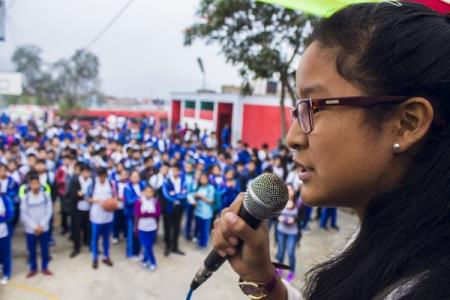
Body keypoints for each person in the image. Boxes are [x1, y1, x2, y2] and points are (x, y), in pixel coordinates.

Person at [211, 3, 450, 299]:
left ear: (406, 123)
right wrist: (260, 277)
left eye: (313, 108)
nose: (292, 137)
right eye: (298, 110)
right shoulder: (383, 242)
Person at [20, 172, 53, 278]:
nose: (35, 186)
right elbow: (24, 214)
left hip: (44, 229)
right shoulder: (26, 198)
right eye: (32, 184)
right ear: (29, 184)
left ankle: (44, 267)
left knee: (44, 249)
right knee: (32, 250)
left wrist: (41, 225)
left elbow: (49, 212)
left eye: (36, 183)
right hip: (31, 230)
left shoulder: (46, 196)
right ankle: (33, 268)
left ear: (40, 184)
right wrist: (34, 227)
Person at [88, 167, 116, 269]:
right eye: (100, 176)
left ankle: (106, 256)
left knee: (106, 238)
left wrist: (111, 203)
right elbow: (87, 198)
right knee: (95, 238)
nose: (102, 178)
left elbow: (114, 197)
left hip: (108, 216)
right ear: (97, 176)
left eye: (104, 176)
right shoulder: (93, 184)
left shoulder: (111, 184)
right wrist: (98, 201)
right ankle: (95, 258)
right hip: (96, 216)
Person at [275, 185, 302, 283]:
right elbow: (274, 214)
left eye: (290, 189)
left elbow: (302, 217)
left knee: (290, 253)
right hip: (281, 230)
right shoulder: (280, 201)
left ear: (294, 192)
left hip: (293, 232)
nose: (288, 191)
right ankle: (279, 270)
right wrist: (279, 218)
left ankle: (291, 272)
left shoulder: (298, 203)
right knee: (281, 252)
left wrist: (294, 219)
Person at [161, 164, 188, 256]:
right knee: (168, 227)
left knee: (177, 227)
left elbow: (185, 193)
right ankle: (168, 246)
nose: (175, 172)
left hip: (179, 208)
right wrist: (176, 198)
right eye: (173, 170)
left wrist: (175, 196)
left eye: (177, 170)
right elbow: (166, 195)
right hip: (169, 208)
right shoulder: (166, 181)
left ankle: (175, 247)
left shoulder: (183, 181)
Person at [134, 185, 161, 271]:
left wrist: (146, 213)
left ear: (153, 193)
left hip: (152, 227)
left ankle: (145, 259)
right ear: (143, 192)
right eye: (147, 191)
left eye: (151, 192)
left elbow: (158, 213)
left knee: (149, 245)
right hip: (142, 228)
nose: (149, 193)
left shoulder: (156, 201)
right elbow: (138, 213)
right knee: (147, 245)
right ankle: (153, 262)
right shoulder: (139, 201)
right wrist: (150, 214)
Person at [70, 164, 92, 257]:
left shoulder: (92, 181)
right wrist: (80, 195)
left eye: (88, 171)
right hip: (78, 209)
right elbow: (72, 194)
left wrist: (84, 195)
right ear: (81, 172)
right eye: (84, 171)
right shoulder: (75, 180)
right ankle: (76, 247)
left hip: (89, 208)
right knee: (77, 228)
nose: (86, 173)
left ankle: (88, 243)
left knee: (88, 228)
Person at [193, 173, 215, 248]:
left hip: (206, 213)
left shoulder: (210, 188)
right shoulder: (198, 187)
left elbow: (211, 201)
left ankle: (203, 244)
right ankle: (199, 241)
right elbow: (194, 196)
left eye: (204, 178)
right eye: (201, 178)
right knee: (199, 227)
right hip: (198, 211)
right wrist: (195, 197)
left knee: (205, 229)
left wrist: (201, 197)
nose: (202, 180)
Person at [0, 193, 13, 284]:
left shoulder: (6, 199)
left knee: (5, 253)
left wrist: (2, 218)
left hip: (3, 233)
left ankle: (6, 273)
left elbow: (10, 215)